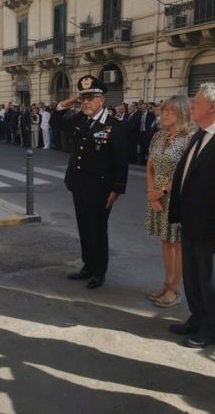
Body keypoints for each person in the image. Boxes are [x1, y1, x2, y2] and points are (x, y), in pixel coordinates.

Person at [168, 82, 215, 348]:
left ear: (212, 107)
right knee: (192, 277)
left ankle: (210, 331)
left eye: (196, 102)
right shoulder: (201, 134)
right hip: (191, 223)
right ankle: (196, 318)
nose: (191, 106)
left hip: (213, 228)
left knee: (212, 283)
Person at [56, 75, 128, 289]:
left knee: (97, 229)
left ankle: (99, 271)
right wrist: (67, 102)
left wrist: (117, 189)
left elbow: (121, 161)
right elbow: (56, 121)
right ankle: (88, 264)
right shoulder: (81, 120)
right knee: (84, 228)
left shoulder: (114, 126)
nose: (86, 102)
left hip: (101, 189)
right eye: (83, 98)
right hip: (79, 185)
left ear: (101, 100)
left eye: (91, 98)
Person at [145, 94, 193, 307]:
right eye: (163, 109)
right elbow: (150, 167)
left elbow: (186, 173)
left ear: (182, 113)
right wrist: (152, 193)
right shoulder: (158, 137)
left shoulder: (189, 139)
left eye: (170, 110)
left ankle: (175, 288)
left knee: (177, 244)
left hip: (177, 197)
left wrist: (162, 191)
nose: (164, 114)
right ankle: (167, 282)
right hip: (157, 196)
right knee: (165, 241)